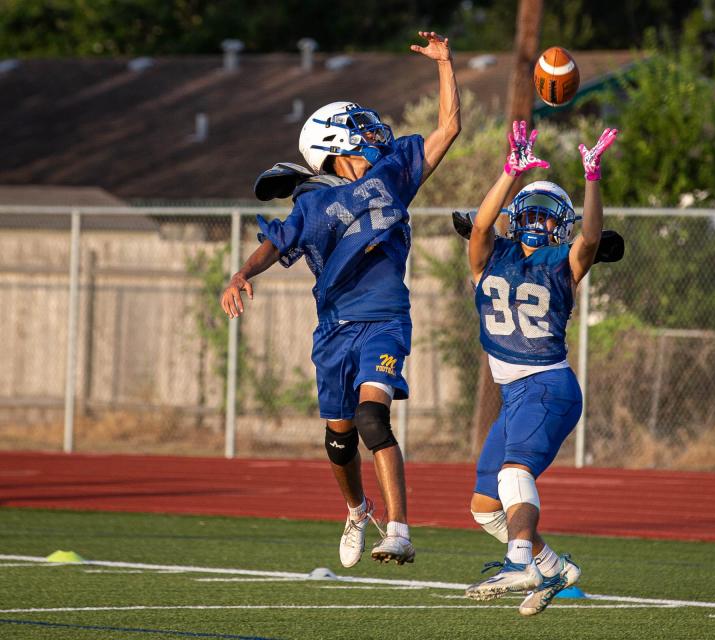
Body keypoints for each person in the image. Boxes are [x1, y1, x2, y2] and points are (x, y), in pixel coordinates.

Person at [219, 31, 460, 567]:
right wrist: (238, 274)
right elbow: (272, 245)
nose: (373, 132)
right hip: (333, 329)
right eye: (357, 129)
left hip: (385, 320)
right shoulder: (309, 207)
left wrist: (445, 64)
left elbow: (449, 127)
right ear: (331, 144)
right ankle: (356, 507)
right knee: (339, 440)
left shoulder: (393, 171)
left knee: (374, 419)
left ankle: (398, 529)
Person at [464, 121, 618, 615]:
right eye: (529, 210)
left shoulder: (563, 262)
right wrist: (511, 171)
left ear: (561, 226)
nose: (537, 220)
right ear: (516, 215)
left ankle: (520, 560)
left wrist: (592, 177)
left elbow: (591, 239)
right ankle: (554, 568)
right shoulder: (489, 254)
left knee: (514, 477)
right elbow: (482, 225)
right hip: (515, 395)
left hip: (548, 385)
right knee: (486, 508)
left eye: (548, 215)